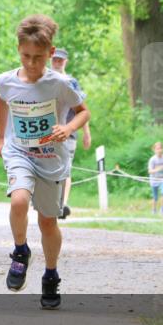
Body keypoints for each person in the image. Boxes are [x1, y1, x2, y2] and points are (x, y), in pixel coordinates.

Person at [0, 14, 89, 310]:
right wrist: (1, 138)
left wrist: (68, 128)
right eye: (25, 56)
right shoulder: (7, 81)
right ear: (18, 49)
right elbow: (3, 101)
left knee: (47, 221)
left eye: (38, 57)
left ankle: (51, 274)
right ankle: (20, 251)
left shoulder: (60, 83)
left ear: (50, 53)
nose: (31, 63)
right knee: (18, 201)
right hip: (20, 152)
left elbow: (83, 112)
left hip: (50, 159)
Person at [49, 48, 92, 219]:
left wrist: (86, 133)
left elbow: (82, 109)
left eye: (60, 60)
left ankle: (62, 204)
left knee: (65, 168)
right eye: (55, 59)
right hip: (46, 133)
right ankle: (48, 200)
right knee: (49, 167)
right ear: (50, 60)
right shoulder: (43, 79)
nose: (57, 63)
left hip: (69, 133)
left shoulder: (72, 82)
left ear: (65, 62)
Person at [148, 141, 163, 216]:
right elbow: (150, 171)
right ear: (154, 150)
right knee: (155, 197)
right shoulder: (152, 159)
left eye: (161, 148)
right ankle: (154, 210)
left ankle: (162, 209)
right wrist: (158, 169)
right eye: (157, 149)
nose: (159, 150)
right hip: (154, 179)